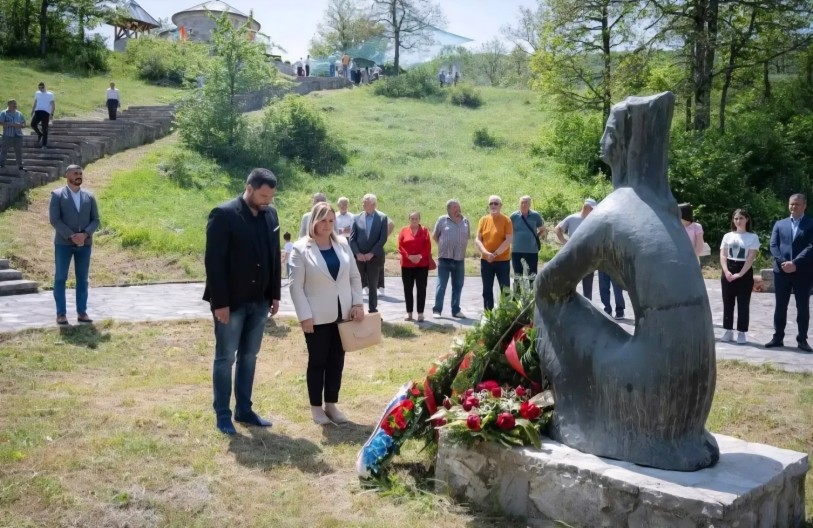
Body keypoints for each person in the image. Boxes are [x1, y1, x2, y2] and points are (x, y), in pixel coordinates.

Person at [203, 168, 281, 435]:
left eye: (270, 197)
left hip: (259, 301)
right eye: (262, 195)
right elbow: (214, 264)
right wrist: (220, 303)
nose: (266, 201)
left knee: (249, 356)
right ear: (248, 187)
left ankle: (244, 410)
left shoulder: (271, 214)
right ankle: (222, 415)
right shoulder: (223, 215)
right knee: (225, 358)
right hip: (231, 303)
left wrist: (275, 293)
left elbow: (274, 256)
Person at [289, 202, 364, 425]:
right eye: (323, 220)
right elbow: (295, 287)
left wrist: (358, 303)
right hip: (316, 317)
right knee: (318, 361)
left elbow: (354, 277)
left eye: (331, 220)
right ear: (313, 220)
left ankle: (331, 404)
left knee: (337, 361)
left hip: (343, 314)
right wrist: (304, 316)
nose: (327, 225)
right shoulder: (300, 248)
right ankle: (316, 408)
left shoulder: (342, 243)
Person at [48, 164, 99, 326]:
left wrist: (85, 234)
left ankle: (82, 312)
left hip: (85, 243)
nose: (79, 175)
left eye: (80, 173)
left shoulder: (89, 197)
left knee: (83, 279)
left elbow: (96, 220)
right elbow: (55, 220)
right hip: (63, 243)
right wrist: (71, 235)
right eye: (75, 173)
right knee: (60, 278)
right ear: (67, 175)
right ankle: (61, 314)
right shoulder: (57, 195)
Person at [765, 193, 813, 352]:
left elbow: (811, 247)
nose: (794, 207)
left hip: (803, 272)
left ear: (804, 205)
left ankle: (802, 339)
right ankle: (777, 337)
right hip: (782, 271)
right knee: (780, 306)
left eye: (797, 204)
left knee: (803, 307)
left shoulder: (811, 224)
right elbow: (773, 245)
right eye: (791, 204)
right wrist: (783, 263)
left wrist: (795, 263)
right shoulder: (780, 224)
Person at [719, 209, 760, 344]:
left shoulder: (752, 237)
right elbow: (723, 255)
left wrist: (740, 274)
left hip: (744, 271)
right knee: (728, 301)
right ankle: (728, 330)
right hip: (729, 270)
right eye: (736, 218)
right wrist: (726, 271)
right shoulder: (727, 236)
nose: (738, 221)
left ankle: (741, 332)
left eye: (741, 218)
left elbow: (750, 257)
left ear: (746, 219)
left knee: (743, 303)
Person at [349, 194, 388, 313]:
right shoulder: (356, 217)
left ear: (373, 204)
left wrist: (371, 253)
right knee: (356, 283)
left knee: (373, 285)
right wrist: (357, 253)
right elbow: (352, 238)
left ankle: (372, 310)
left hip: (374, 258)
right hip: (359, 258)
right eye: (363, 201)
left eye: (366, 202)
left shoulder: (382, 218)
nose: (363, 204)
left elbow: (382, 239)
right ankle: (355, 309)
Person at [432, 198, 470, 318]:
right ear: (448, 209)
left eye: (458, 206)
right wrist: (443, 246)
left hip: (459, 258)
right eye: (454, 207)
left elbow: (467, 237)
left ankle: (456, 310)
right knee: (441, 285)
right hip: (445, 258)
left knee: (458, 285)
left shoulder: (465, 221)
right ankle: (437, 310)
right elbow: (435, 236)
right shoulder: (442, 220)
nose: (457, 209)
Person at [476, 195, 513, 311]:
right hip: (486, 261)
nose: (493, 205)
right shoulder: (483, 220)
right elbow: (478, 239)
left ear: (500, 206)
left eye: (496, 203)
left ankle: (506, 313)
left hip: (502, 261)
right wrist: (486, 254)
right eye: (491, 203)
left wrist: (495, 254)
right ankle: (488, 315)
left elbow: (508, 240)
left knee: (505, 289)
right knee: (487, 289)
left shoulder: (506, 220)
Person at [555, 198, 597, 299]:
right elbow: (557, 228)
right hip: (573, 255)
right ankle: (570, 303)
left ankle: (588, 304)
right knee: (570, 281)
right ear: (586, 207)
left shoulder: (594, 220)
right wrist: (565, 242)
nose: (593, 211)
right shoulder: (572, 218)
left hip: (588, 256)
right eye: (592, 209)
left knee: (588, 284)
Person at [398, 211, 432, 322]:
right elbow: (400, 246)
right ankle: (409, 313)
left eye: (416, 218)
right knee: (408, 289)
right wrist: (409, 256)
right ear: (409, 219)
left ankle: (421, 313)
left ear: (419, 219)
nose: (414, 220)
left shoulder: (425, 231)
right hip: (407, 264)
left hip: (422, 264)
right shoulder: (403, 231)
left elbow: (428, 246)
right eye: (412, 218)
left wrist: (420, 256)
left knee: (421, 289)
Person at [509, 195, 545, 277]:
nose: (523, 205)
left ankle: (533, 290)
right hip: (516, 250)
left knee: (532, 275)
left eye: (526, 203)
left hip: (531, 250)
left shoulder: (536, 215)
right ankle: (518, 290)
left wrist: (536, 237)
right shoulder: (513, 216)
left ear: (530, 204)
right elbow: (508, 230)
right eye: (522, 202)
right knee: (518, 275)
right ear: (519, 204)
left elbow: (542, 230)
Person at [0, 99, 26, 171]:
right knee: (4, 150)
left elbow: (24, 124)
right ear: (9, 105)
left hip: (18, 135)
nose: (15, 105)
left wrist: (20, 125)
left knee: (18, 150)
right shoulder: (3, 113)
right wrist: (11, 124)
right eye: (13, 104)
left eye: (15, 104)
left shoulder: (19, 113)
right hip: (7, 134)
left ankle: (20, 165)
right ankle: (2, 164)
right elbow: (1, 122)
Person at [31, 81, 55, 148]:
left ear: (45, 87)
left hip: (45, 112)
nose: (41, 89)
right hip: (37, 111)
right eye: (39, 88)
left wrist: (52, 114)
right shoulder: (37, 93)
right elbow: (35, 102)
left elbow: (53, 105)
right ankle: (39, 134)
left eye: (42, 87)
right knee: (33, 124)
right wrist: (32, 110)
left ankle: (44, 145)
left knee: (45, 128)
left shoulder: (50, 94)